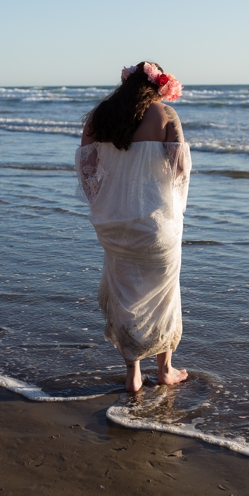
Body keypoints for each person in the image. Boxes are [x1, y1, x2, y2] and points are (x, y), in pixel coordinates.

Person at [77, 61, 191, 395]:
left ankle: (133, 375)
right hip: (156, 224)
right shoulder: (166, 115)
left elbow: (87, 166)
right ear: (157, 87)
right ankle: (166, 370)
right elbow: (180, 168)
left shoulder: (100, 117)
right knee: (164, 296)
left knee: (125, 295)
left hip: (113, 224)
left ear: (125, 85)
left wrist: (106, 203)